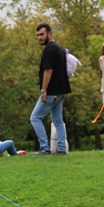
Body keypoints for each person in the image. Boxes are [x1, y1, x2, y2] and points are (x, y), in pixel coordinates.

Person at [29, 24, 71, 156]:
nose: (39, 38)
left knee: (35, 118)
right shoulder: (59, 48)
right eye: (37, 35)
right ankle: (61, 149)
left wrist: (44, 90)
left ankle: (44, 148)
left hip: (52, 92)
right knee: (58, 121)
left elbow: (48, 70)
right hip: (61, 91)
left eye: (42, 34)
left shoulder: (49, 49)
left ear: (49, 33)